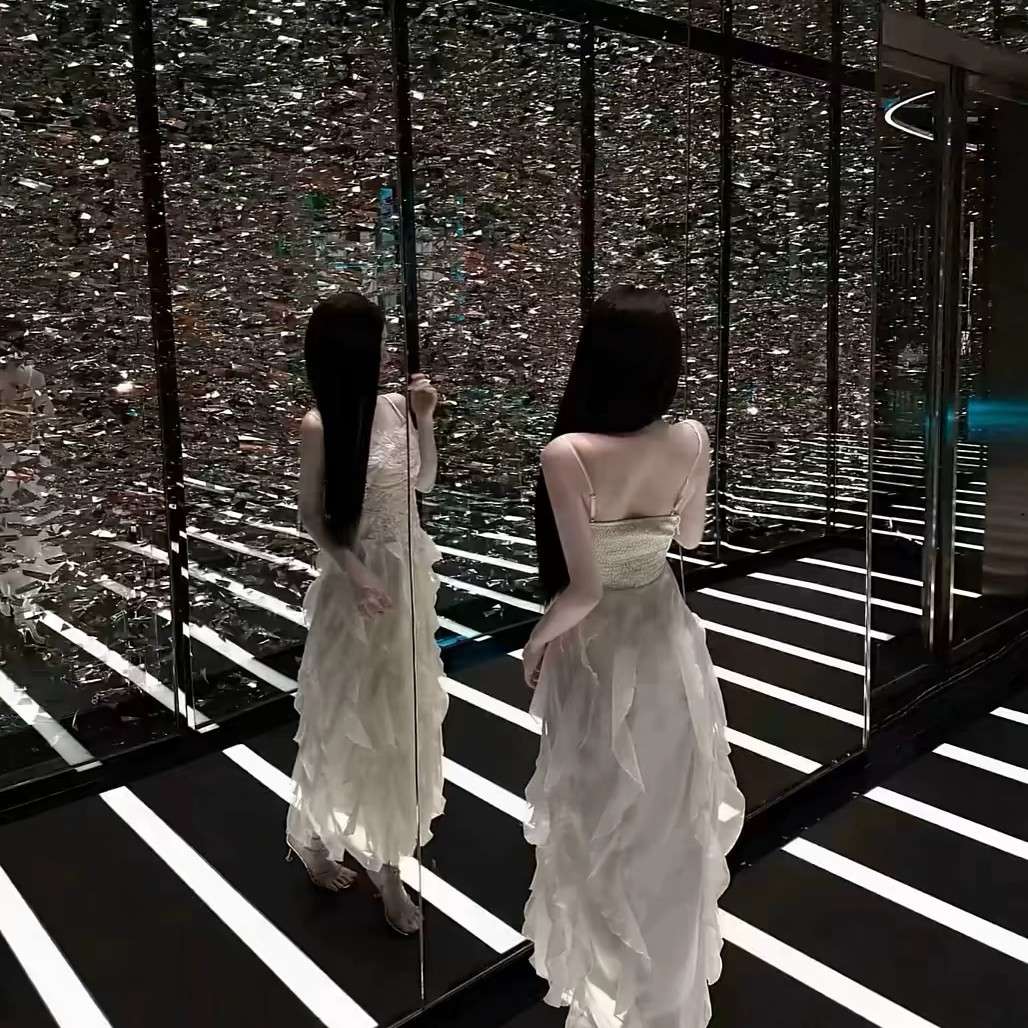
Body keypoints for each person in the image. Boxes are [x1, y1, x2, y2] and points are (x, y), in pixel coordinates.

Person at [521, 286, 744, 1027]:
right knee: (667, 816)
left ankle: (608, 989)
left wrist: (536, 640)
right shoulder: (692, 438)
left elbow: (584, 591)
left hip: (600, 648)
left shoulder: (568, 453)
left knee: (599, 809)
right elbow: (690, 538)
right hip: (666, 637)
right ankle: (662, 994)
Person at [285, 292, 448, 936]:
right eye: (374, 342)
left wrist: (425, 418)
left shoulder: (395, 406)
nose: (384, 353)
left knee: (401, 717)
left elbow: (424, 483)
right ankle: (320, 840)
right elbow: (310, 515)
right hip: (358, 583)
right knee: (348, 715)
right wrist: (355, 575)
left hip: (409, 577)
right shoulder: (319, 424)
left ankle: (388, 865)